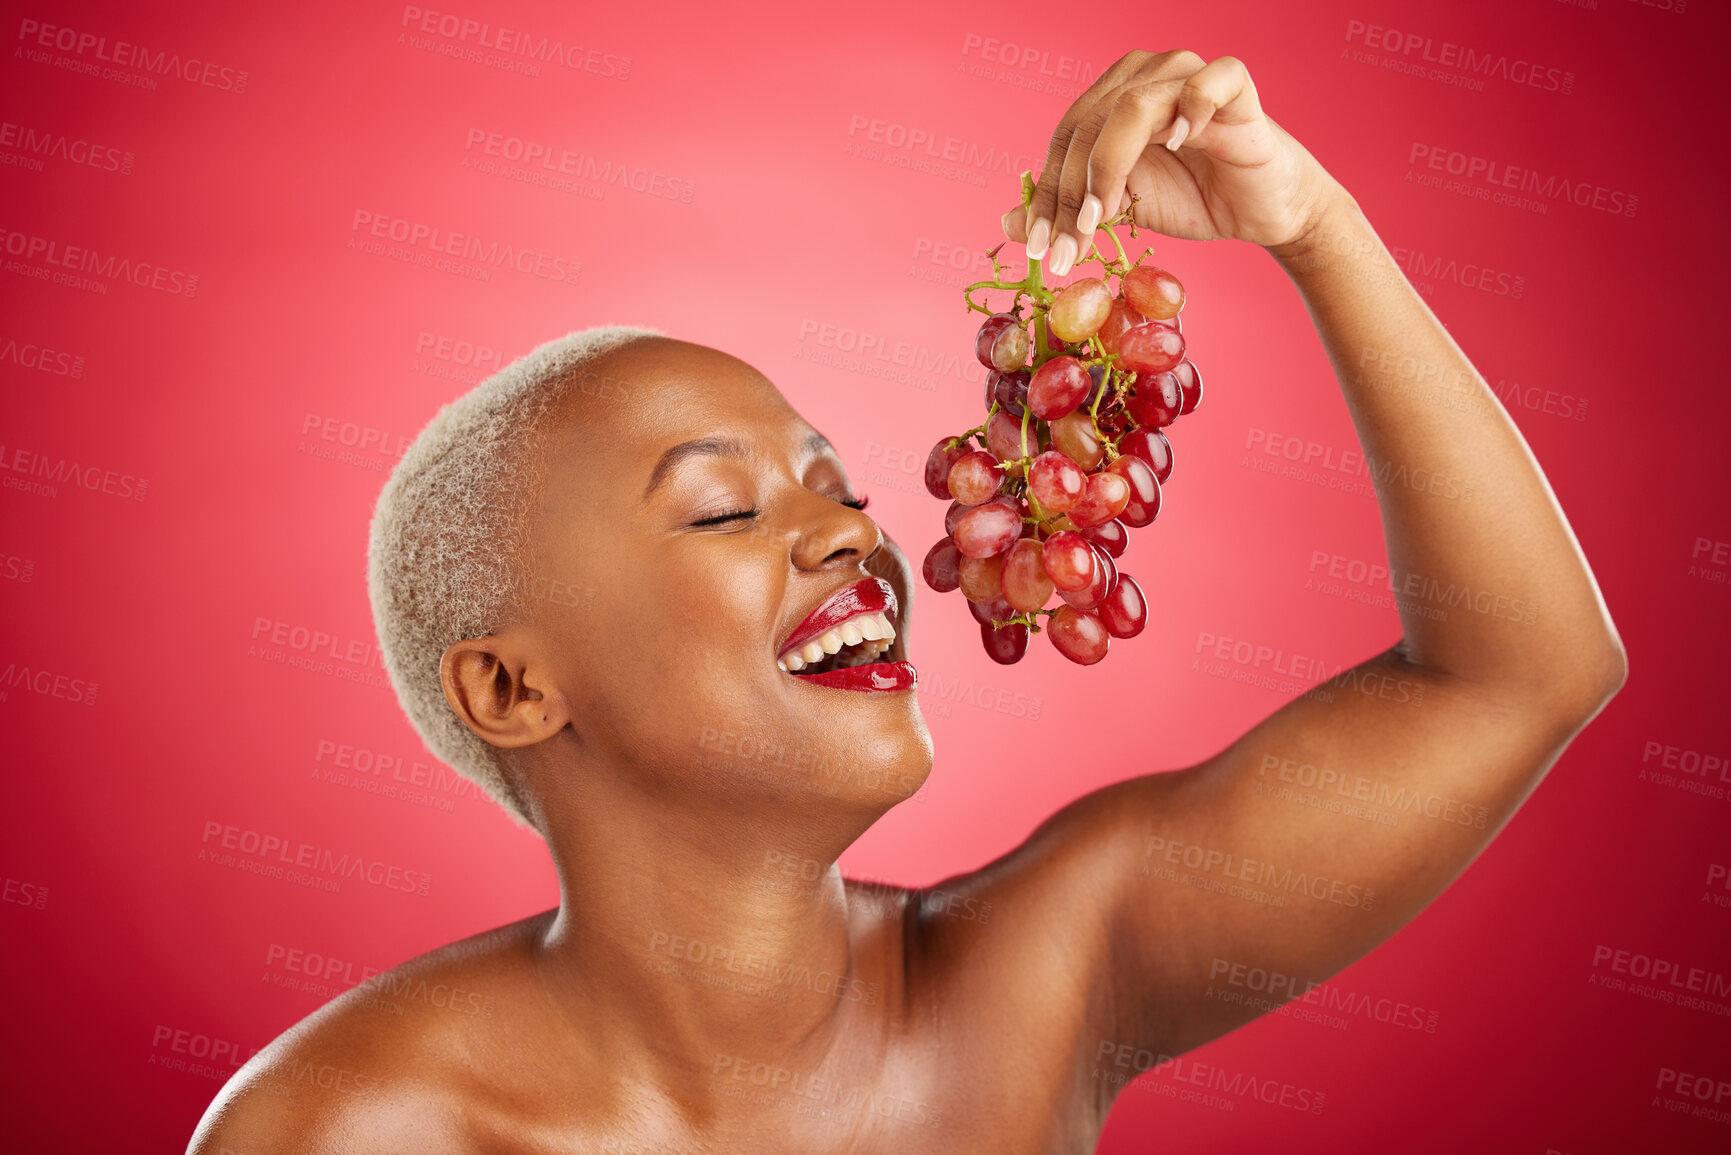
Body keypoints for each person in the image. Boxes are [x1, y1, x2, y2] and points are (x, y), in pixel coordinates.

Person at [188, 49, 1625, 1153]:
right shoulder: (353, 1126)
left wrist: (1315, 227)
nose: (848, 529)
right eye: (725, 507)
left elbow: (1518, 676)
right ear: (512, 689)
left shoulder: (1047, 974)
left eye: (836, 484)